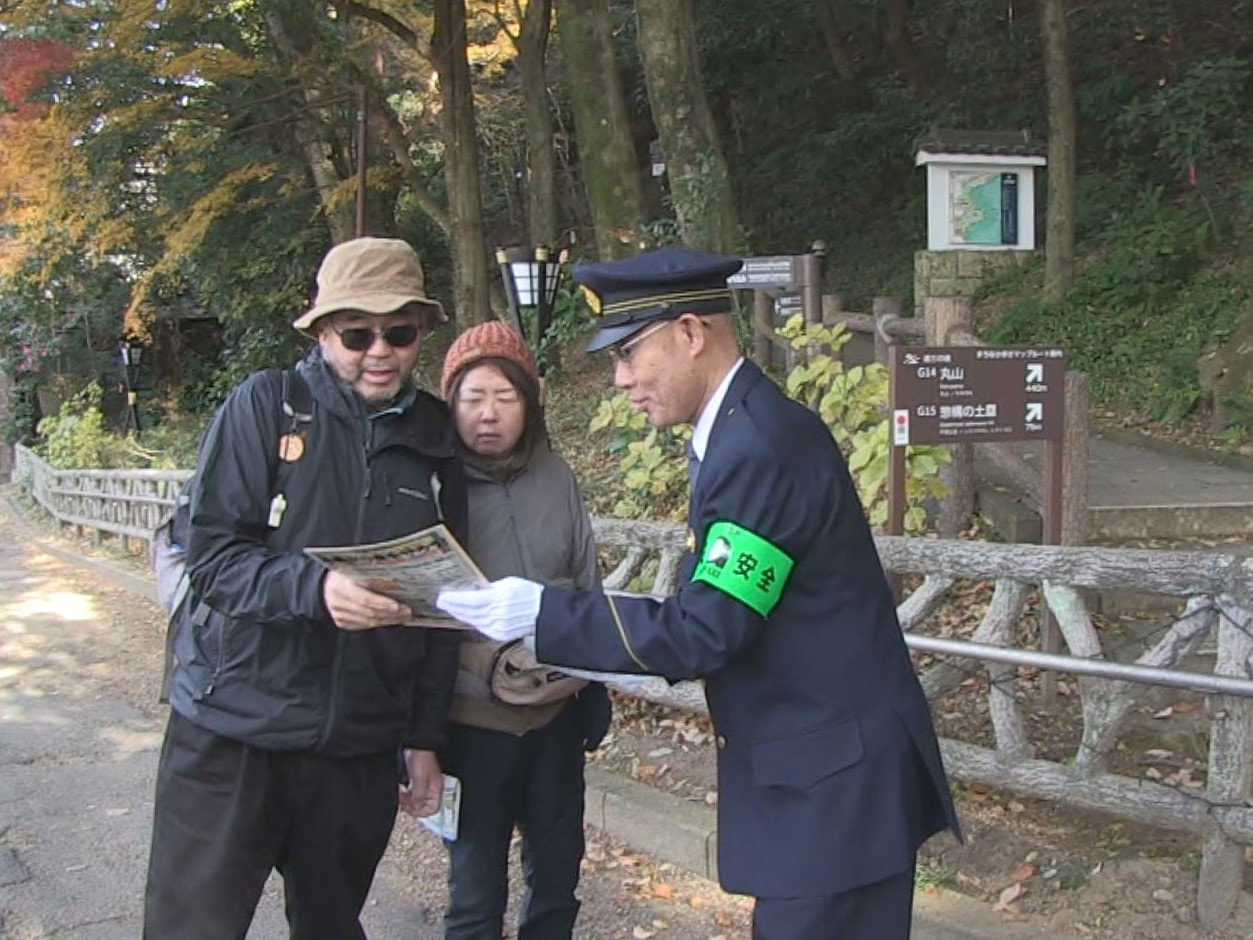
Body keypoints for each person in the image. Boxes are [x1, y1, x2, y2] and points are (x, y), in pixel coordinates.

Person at [437, 246, 962, 940]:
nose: (619, 379)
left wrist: (542, 612)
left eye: (627, 353)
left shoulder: (758, 448)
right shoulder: (742, 433)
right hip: (824, 779)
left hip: (835, 793)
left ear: (690, 333)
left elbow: (707, 629)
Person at [144, 236, 468, 940]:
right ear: (323, 332)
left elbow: (445, 607)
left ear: (421, 335)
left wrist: (422, 737)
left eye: (400, 332)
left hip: (355, 744)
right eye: (357, 333)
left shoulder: (437, 439)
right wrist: (315, 590)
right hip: (233, 727)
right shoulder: (266, 406)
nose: (378, 350)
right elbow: (213, 557)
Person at [431, 320, 610, 940]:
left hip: (556, 716)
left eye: (504, 398)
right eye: (473, 398)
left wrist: (596, 687)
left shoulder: (556, 476)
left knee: (558, 880)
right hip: (471, 725)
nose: (488, 415)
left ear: (529, 404)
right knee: (476, 896)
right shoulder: (434, 486)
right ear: (450, 404)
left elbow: (585, 583)